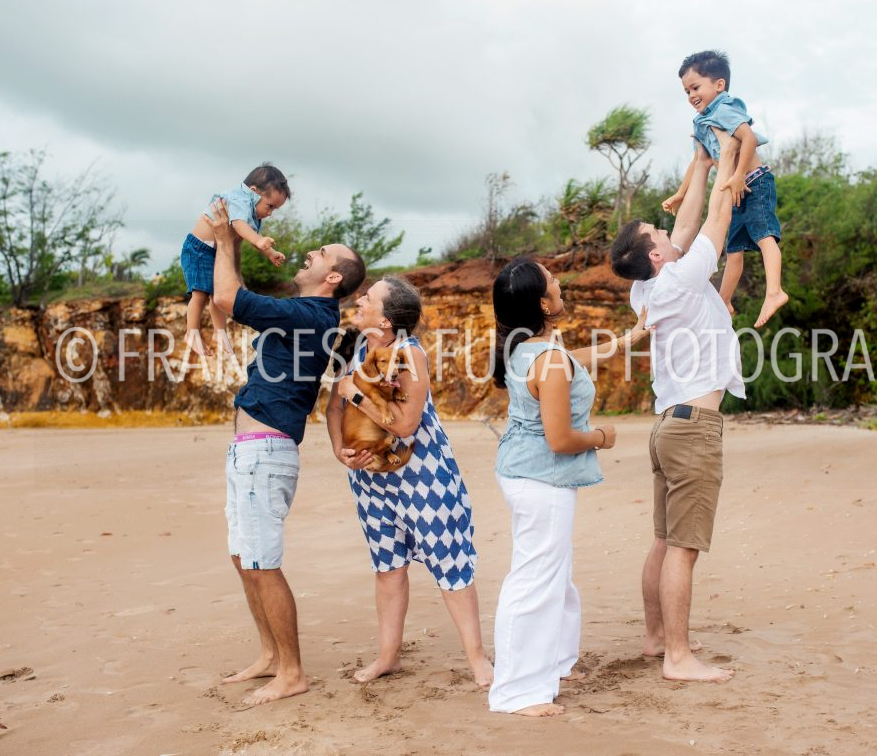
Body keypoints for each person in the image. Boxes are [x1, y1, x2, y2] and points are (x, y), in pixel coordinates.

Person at [207, 198, 366, 706]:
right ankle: (270, 656)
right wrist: (231, 246)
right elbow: (226, 298)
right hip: (250, 450)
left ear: (333, 278)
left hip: (266, 451)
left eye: (322, 253)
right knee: (244, 558)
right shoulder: (303, 315)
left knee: (261, 562)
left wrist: (226, 239)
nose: (310, 253)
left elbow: (228, 297)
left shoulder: (310, 315)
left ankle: (292, 671)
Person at [610, 130, 745, 683]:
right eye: (658, 233)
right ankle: (679, 657)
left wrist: (700, 161)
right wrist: (731, 150)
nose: (668, 232)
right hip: (693, 429)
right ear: (655, 254)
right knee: (684, 549)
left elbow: (685, 226)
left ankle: (655, 637)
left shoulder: (645, 289)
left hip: (668, 426)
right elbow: (714, 217)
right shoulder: (684, 278)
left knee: (664, 542)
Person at [487, 257, 649, 717]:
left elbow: (575, 359)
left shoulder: (526, 348)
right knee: (535, 580)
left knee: (551, 572)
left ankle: (555, 663)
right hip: (543, 478)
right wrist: (601, 437)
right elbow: (560, 440)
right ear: (543, 302)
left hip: (523, 472)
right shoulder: (549, 359)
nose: (559, 282)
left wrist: (628, 339)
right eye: (552, 280)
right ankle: (517, 692)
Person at [325, 276, 494, 687]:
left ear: (386, 320)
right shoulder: (353, 346)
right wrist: (340, 450)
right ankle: (388, 657)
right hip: (371, 478)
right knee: (387, 567)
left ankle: (478, 660)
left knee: (449, 562)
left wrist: (356, 394)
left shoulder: (409, 354)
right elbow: (333, 408)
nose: (359, 300)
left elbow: (404, 425)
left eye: (368, 298)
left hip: (423, 474)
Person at [662, 50, 788, 328]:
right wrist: (681, 194)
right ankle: (724, 300)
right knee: (733, 250)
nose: (691, 95)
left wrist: (739, 175)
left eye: (696, 87)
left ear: (719, 85)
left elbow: (749, 138)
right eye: (686, 91)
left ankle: (774, 291)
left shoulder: (725, 109)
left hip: (754, 181)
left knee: (764, 234)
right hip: (735, 189)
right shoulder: (701, 121)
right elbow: (698, 161)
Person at [182, 164, 290, 356]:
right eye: (270, 206)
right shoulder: (239, 199)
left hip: (216, 251)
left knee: (218, 294)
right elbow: (240, 226)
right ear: (254, 192)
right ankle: (191, 333)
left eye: (275, 209)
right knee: (200, 293)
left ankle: (219, 332)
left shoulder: (251, 209)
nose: (270, 213)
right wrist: (259, 241)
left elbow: (250, 235)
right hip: (199, 248)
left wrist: (270, 252)